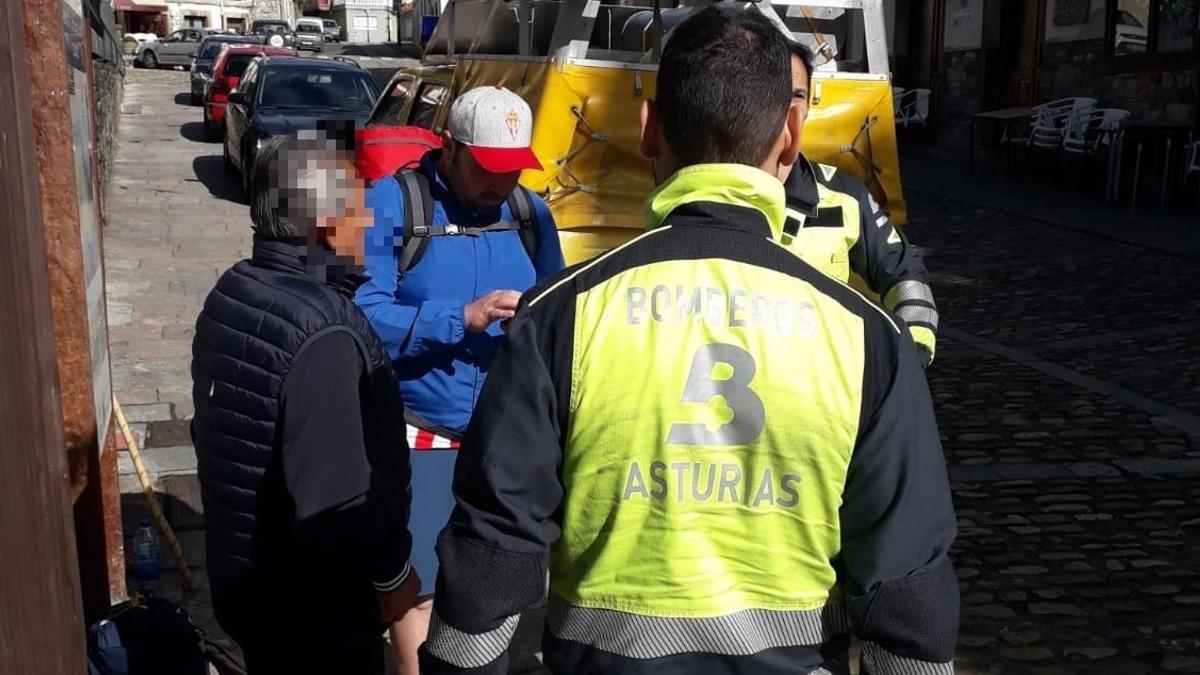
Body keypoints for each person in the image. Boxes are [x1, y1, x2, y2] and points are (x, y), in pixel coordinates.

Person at [420, 6, 959, 675]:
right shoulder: (869, 340)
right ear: (791, 135)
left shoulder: (559, 316)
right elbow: (909, 604)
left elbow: (487, 575)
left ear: (647, 130)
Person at [191, 130, 420, 675]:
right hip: (316, 616)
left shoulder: (234, 289)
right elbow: (337, 505)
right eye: (359, 210)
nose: (369, 224)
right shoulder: (325, 333)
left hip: (250, 587)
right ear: (326, 224)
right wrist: (391, 578)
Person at [354, 85, 565, 665]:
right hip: (419, 430)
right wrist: (460, 319)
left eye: (513, 170)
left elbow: (558, 306)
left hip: (505, 440)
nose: (501, 184)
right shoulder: (392, 204)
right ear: (449, 146)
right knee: (415, 592)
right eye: (487, 169)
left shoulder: (529, 212)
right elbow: (361, 315)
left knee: (501, 594)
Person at [780, 42, 939, 366]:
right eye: (775, 94)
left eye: (798, 96)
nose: (788, 109)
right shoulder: (709, 190)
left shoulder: (843, 193)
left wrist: (910, 357)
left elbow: (903, 272)